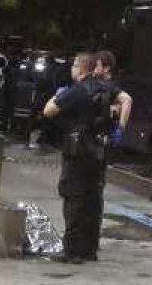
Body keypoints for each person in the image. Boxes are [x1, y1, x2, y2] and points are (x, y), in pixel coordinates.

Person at [43, 52, 116, 264]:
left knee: (74, 199)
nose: (72, 69)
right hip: (98, 152)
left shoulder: (75, 91)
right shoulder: (104, 88)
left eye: (74, 65)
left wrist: (57, 95)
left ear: (82, 68)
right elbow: (122, 102)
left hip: (78, 152)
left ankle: (71, 251)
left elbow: (49, 111)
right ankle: (89, 249)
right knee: (92, 200)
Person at [93, 48, 133, 140]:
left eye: (96, 65)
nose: (93, 68)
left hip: (101, 132)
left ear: (106, 68)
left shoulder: (110, 86)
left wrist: (120, 128)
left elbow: (127, 100)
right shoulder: (92, 80)